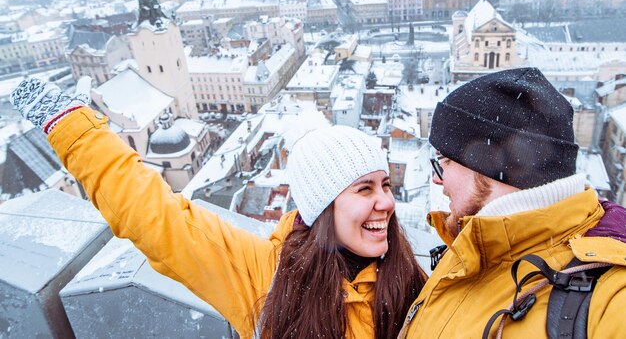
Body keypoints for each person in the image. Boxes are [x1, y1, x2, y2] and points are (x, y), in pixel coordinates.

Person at [10, 77, 426, 339]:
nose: (386, 202)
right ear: (322, 205)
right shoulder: (267, 276)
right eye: (364, 188)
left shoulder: (420, 282)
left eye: (386, 185)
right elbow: (155, 216)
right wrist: (73, 128)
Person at [397, 67, 626, 338]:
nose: (438, 180)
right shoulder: (473, 244)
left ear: (486, 165)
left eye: (444, 161)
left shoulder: (611, 299)